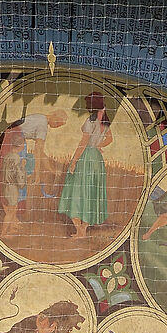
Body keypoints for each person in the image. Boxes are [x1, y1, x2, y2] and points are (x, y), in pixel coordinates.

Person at [56, 91, 113, 241]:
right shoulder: (105, 121)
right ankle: (83, 230)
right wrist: (98, 145)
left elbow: (82, 144)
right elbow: (110, 139)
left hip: (86, 157)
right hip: (97, 160)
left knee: (76, 191)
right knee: (90, 193)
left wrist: (74, 161)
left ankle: (80, 230)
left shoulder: (91, 121)